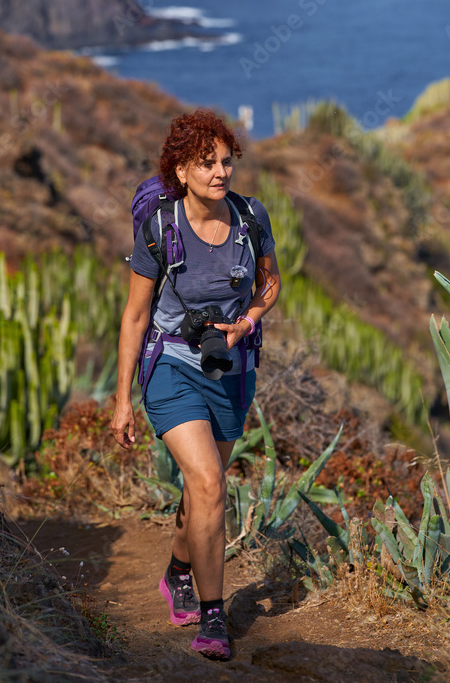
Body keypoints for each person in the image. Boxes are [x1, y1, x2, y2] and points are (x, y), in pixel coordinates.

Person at [111, 108, 281, 661]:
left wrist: (248, 321)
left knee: (200, 490)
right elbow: (136, 316)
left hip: (232, 370)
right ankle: (213, 617)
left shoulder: (251, 217)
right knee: (209, 483)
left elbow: (270, 283)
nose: (220, 172)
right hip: (171, 366)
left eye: (226, 161)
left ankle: (178, 571)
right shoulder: (159, 229)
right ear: (181, 171)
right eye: (206, 163)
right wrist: (122, 400)